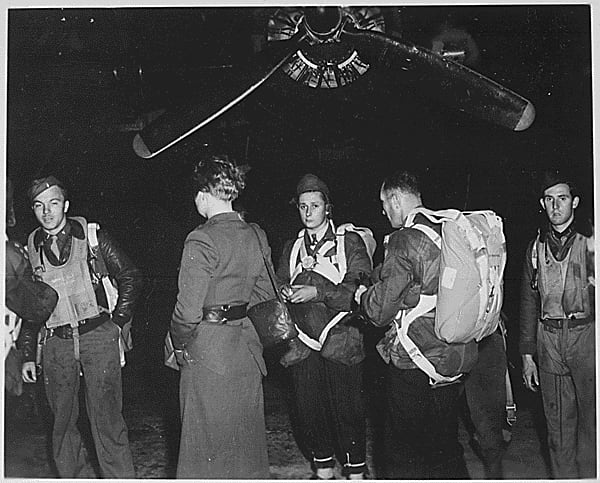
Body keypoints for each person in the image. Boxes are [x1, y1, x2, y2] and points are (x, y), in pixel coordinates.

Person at [19, 175, 142, 478]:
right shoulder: (30, 248)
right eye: (39, 206)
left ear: (66, 205)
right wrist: (27, 354)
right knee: (61, 426)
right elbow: (30, 306)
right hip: (56, 343)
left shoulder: (90, 236)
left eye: (54, 203)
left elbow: (131, 276)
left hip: (97, 336)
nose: (47, 212)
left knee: (107, 422)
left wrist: (117, 324)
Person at [356, 170, 469, 479]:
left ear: (396, 199)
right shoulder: (448, 228)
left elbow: (379, 311)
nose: (383, 210)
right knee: (444, 448)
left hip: (415, 359)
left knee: (401, 454)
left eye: (384, 202)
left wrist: (362, 296)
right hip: (454, 354)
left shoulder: (406, 239)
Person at [168, 155, 275, 479]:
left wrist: (176, 344)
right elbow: (265, 297)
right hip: (246, 352)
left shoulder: (201, 238)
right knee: (246, 447)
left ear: (203, 195)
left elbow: (187, 311)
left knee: (204, 450)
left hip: (208, 355)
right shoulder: (256, 234)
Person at [276, 173, 374, 480]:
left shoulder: (350, 242)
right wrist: (282, 290)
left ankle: (356, 469)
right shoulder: (292, 248)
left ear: (327, 208)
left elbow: (359, 291)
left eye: (314, 206)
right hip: (303, 342)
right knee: (308, 408)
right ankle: (323, 468)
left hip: (341, 338)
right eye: (302, 206)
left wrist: (318, 292)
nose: (307, 213)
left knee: (347, 408)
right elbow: (278, 279)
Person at [519, 169, 595, 479]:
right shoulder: (535, 248)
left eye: (562, 198)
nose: (555, 206)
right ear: (542, 203)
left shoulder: (589, 243)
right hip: (548, 341)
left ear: (574, 202)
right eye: (549, 200)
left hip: (587, 338)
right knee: (558, 426)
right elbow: (527, 301)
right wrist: (526, 355)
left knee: (593, 422)